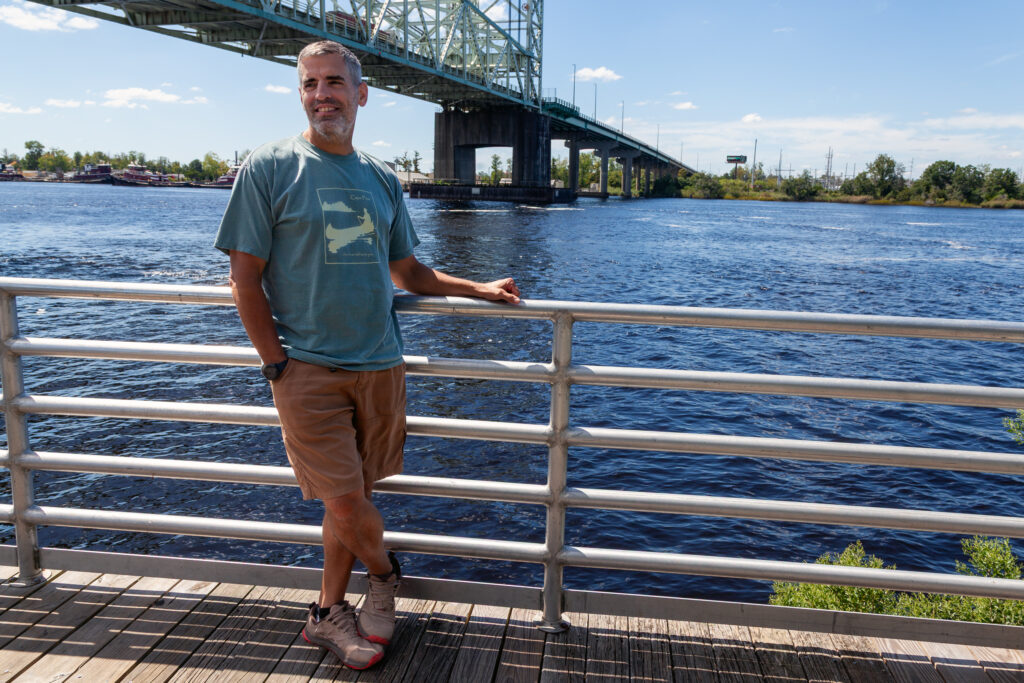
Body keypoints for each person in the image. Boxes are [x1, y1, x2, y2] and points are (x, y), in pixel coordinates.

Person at [214, 39, 520, 670]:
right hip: (307, 368)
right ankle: (385, 577)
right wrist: (277, 365)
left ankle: (328, 615)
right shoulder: (270, 166)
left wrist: (479, 287)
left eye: (333, 83)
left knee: (344, 502)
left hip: (380, 364)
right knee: (349, 502)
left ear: (361, 94)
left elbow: (408, 271)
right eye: (309, 84)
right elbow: (245, 279)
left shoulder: (380, 176)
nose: (321, 95)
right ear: (301, 93)